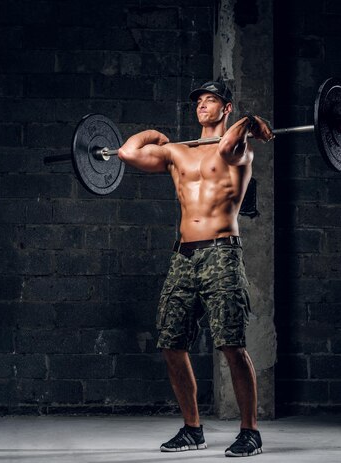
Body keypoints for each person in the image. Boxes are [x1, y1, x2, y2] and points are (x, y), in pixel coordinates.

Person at [117, 80, 274, 458]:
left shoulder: (240, 151)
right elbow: (126, 153)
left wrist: (251, 121)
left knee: (231, 344)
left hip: (222, 253)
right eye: (199, 101)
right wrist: (155, 135)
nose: (203, 106)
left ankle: (250, 432)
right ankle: (192, 429)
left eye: (211, 100)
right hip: (183, 256)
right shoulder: (178, 154)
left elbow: (225, 146)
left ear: (226, 108)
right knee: (171, 342)